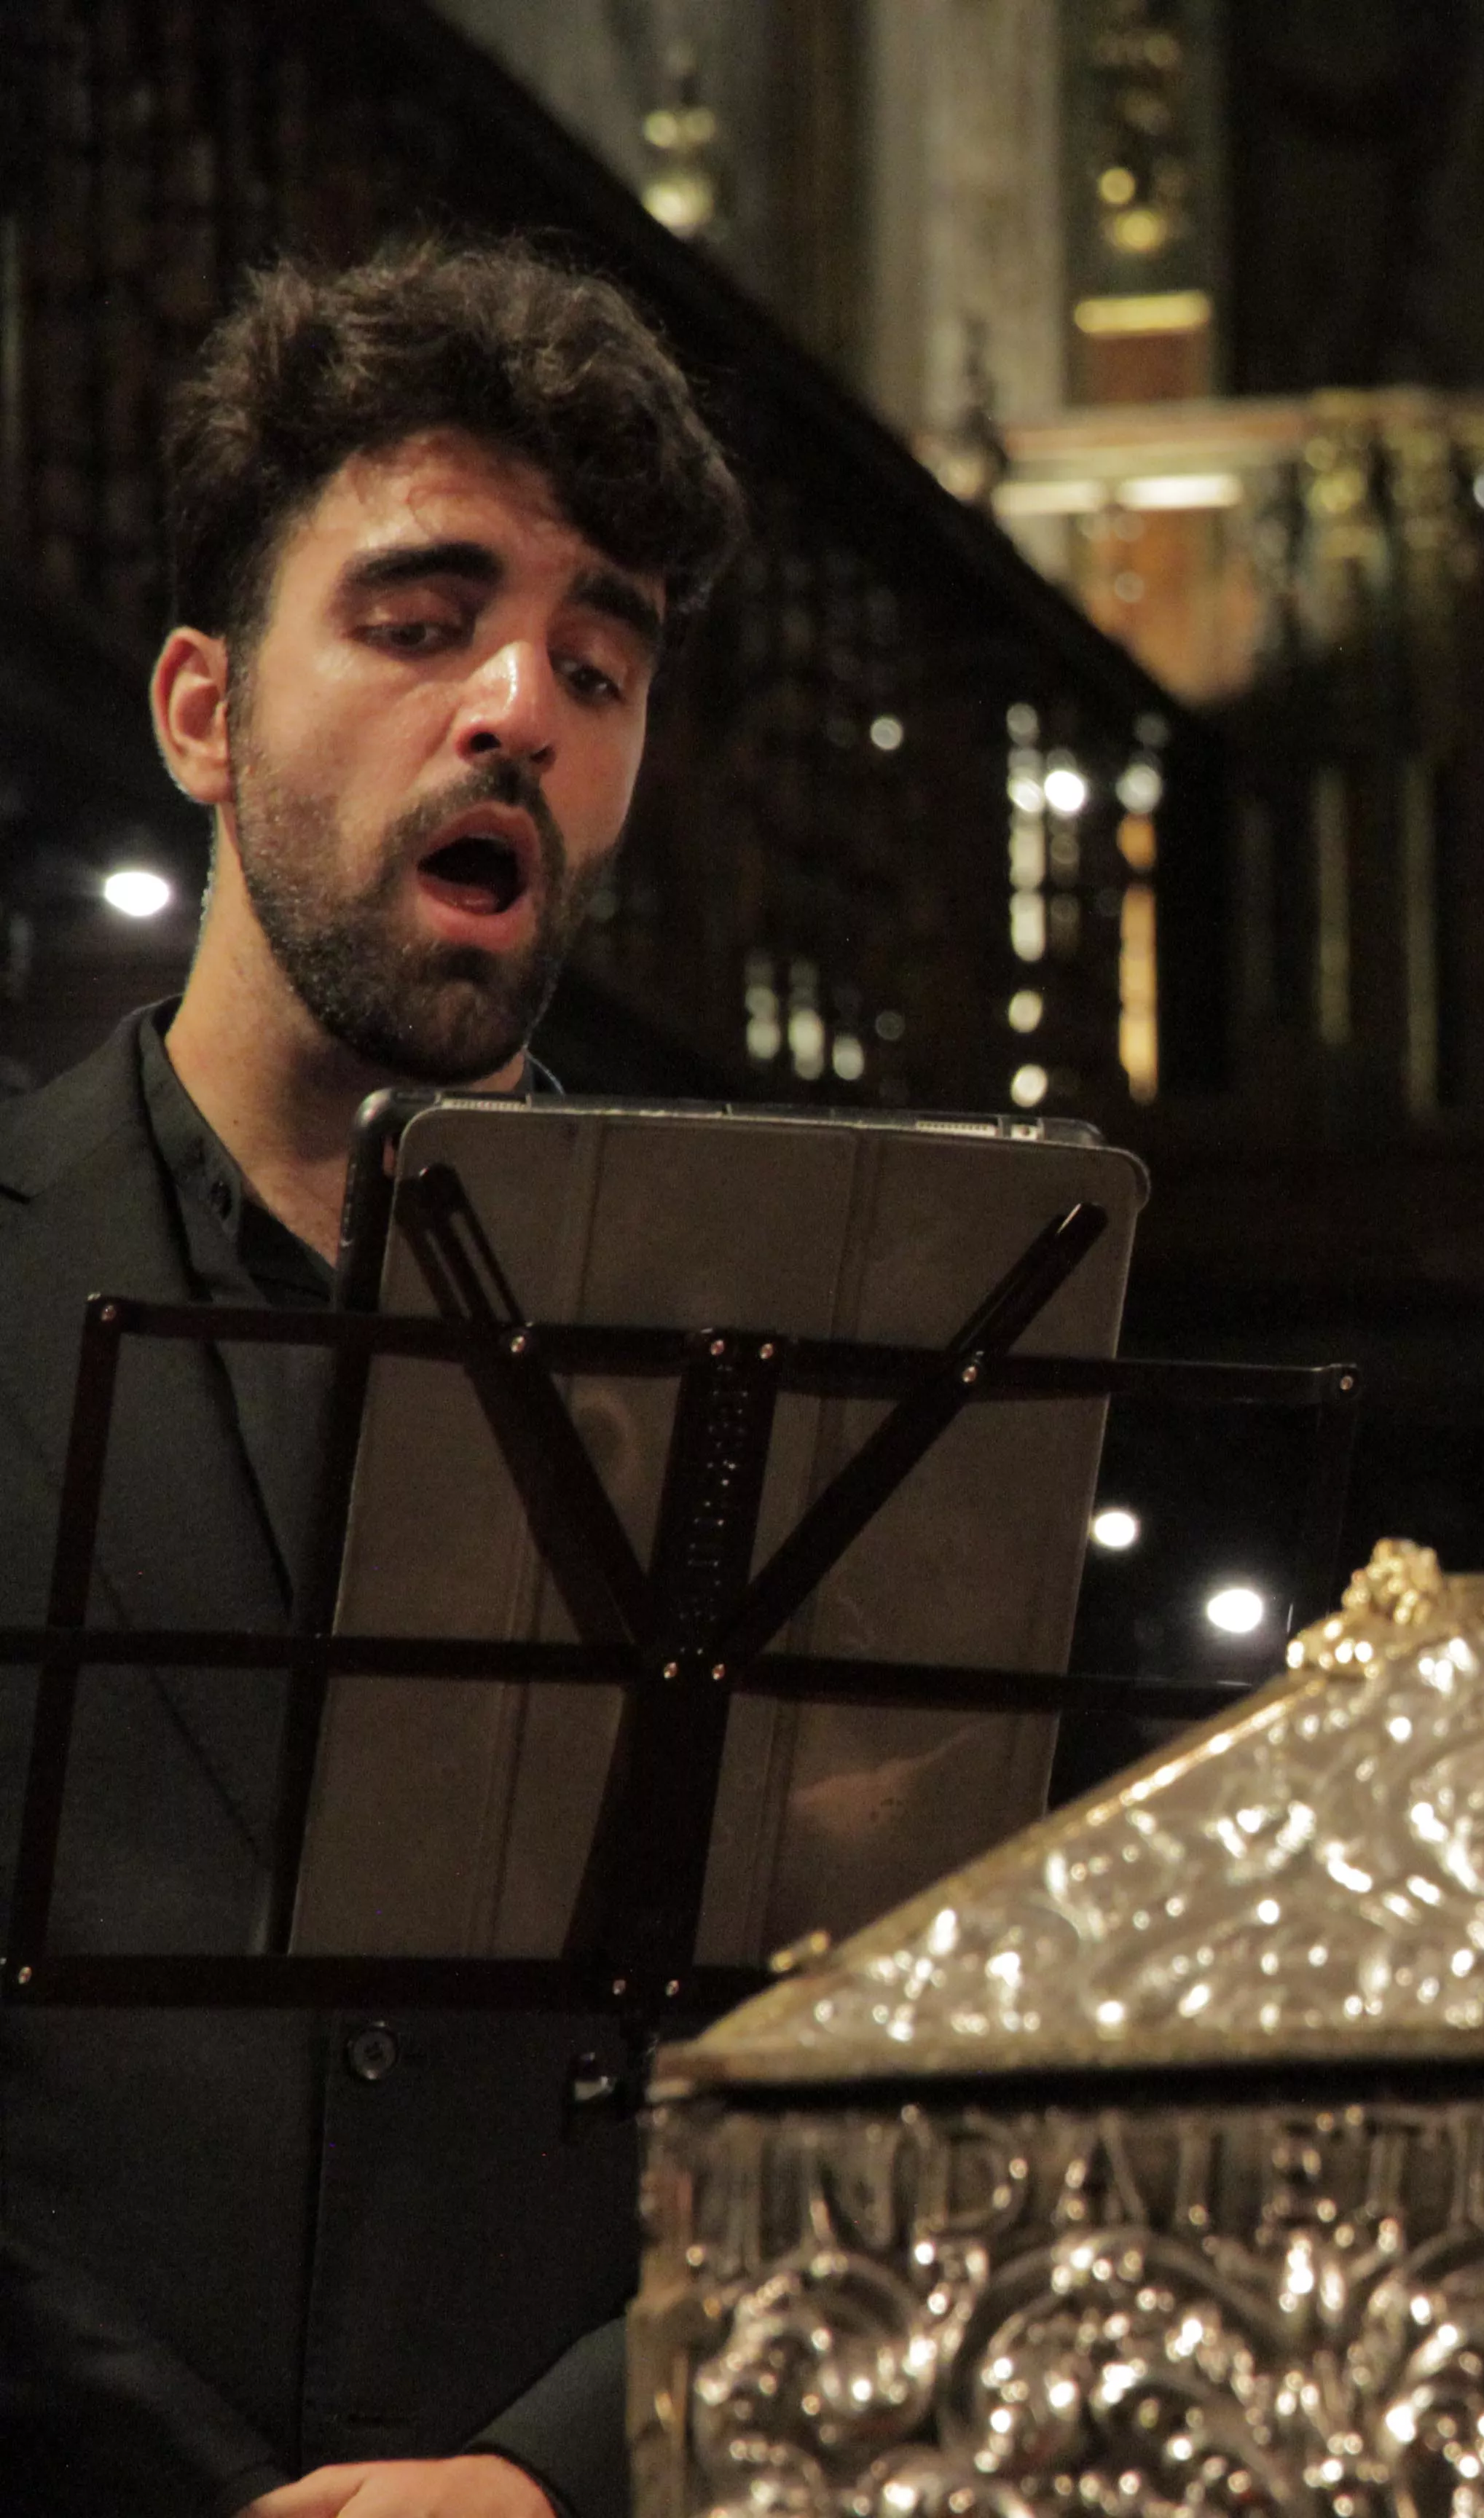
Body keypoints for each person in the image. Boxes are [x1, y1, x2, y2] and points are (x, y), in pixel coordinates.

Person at [0, 239, 742, 2518]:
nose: (522, 699)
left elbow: (828, 2070)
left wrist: (544, 2480)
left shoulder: (755, 1345)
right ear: (204, 712)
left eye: (596, 662)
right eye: (424, 625)